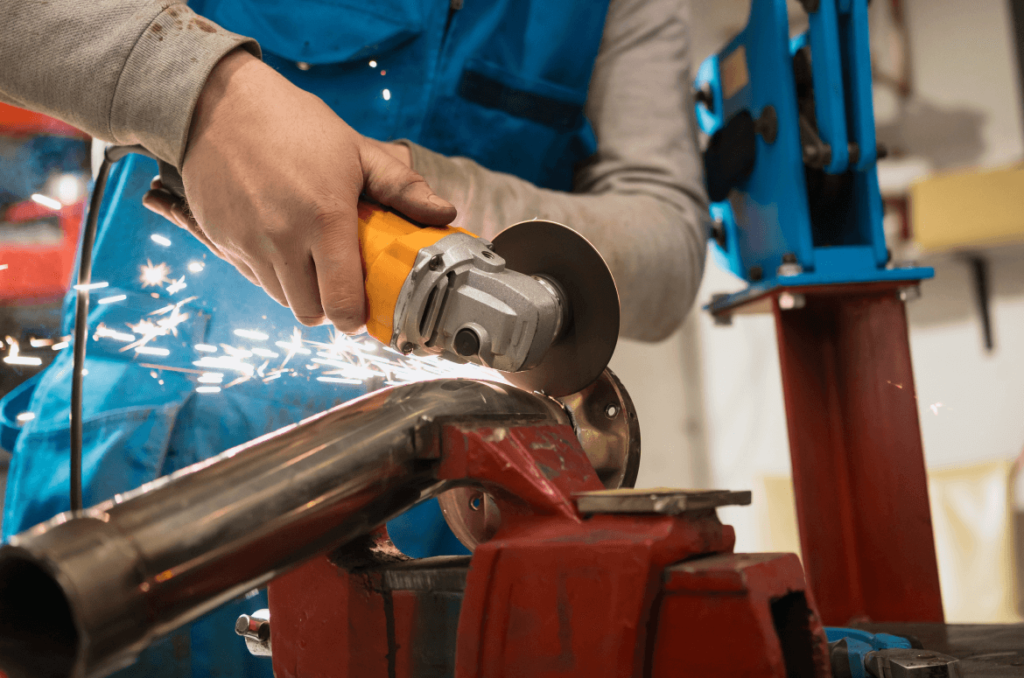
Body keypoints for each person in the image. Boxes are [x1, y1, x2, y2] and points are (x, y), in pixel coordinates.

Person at [0, 0, 708, 675]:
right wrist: (206, 96)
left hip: (431, 514)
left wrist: (406, 188)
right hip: (142, 474)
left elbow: (667, 242)